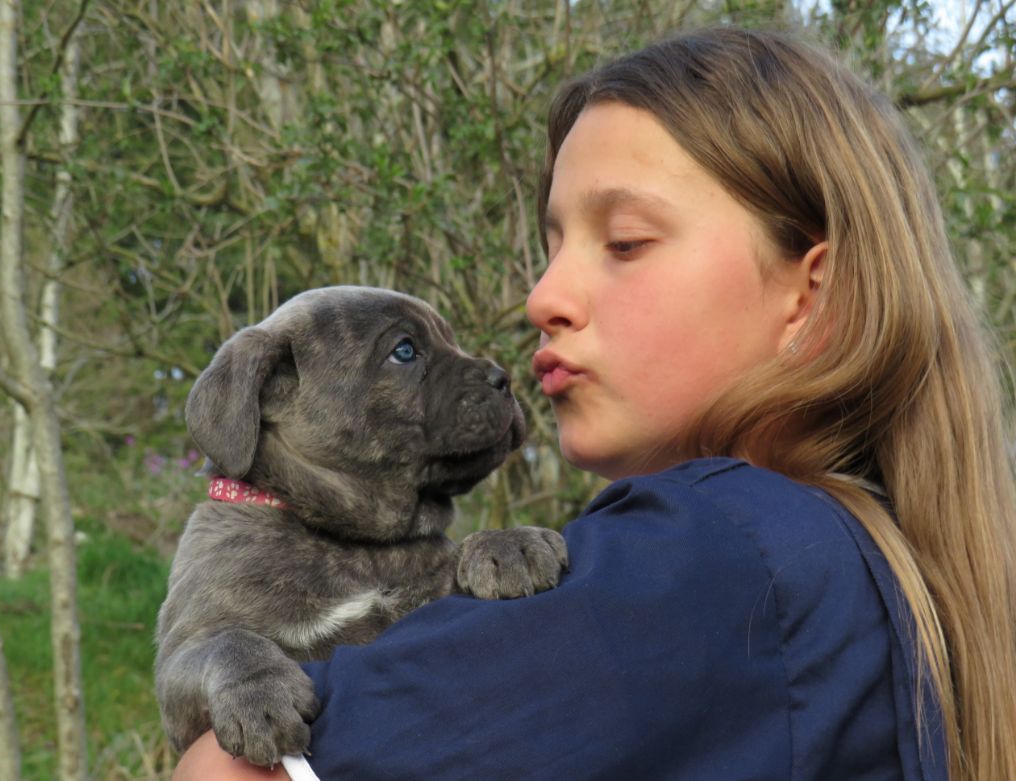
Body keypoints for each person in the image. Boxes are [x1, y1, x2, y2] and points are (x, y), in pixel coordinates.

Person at [173, 25, 1016, 780]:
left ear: (808, 293)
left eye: (624, 242)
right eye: (551, 247)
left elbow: (224, 771)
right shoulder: (862, 558)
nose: (544, 296)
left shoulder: (715, 556)